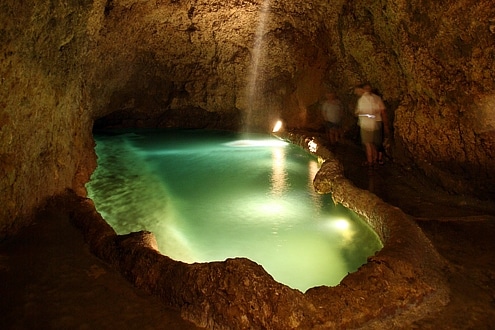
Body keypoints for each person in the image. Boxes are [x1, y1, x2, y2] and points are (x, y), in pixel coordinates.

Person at [363, 84, 390, 165]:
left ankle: (372, 161)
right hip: (374, 123)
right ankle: (375, 159)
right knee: (374, 143)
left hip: (373, 123)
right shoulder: (375, 99)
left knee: (371, 143)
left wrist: (385, 125)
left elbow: (383, 112)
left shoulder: (367, 100)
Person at [354, 84, 379, 168]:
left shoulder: (362, 100)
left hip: (365, 124)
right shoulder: (373, 98)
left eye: (357, 91)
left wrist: (361, 113)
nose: (356, 92)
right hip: (372, 124)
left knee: (367, 144)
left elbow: (358, 112)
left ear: (361, 90)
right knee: (371, 143)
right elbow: (376, 110)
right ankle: (375, 159)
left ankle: (370, 162)